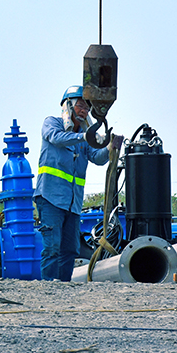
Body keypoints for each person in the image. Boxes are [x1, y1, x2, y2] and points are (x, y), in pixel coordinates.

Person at [34, 85, 121, 281]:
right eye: (80, 106)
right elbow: (56, 138)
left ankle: (63, 286)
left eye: (87, 109)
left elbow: (97, 158)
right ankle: (49, 286)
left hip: (73, 203)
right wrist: (85, 136)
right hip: (50, 198)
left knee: (70, 249)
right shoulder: (51, 123)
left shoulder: (84, 138)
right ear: (68, 106)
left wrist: (109, 147)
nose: (84, 111)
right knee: (52, 247)